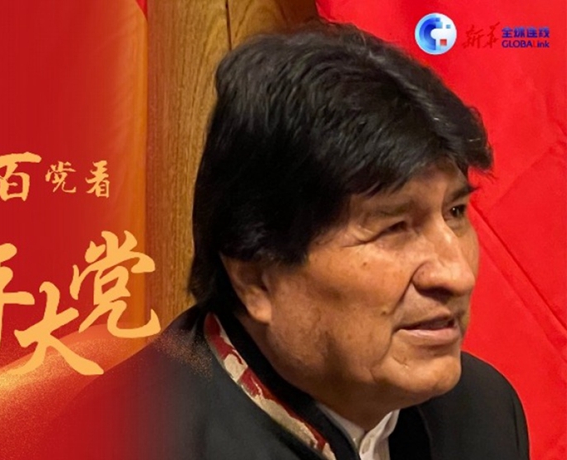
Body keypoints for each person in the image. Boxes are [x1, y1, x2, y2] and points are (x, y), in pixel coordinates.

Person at [45, 22, 529, 460]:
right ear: (257, 279)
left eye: (455, 212)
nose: (457, 274)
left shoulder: (482, 411)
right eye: (394, 227)